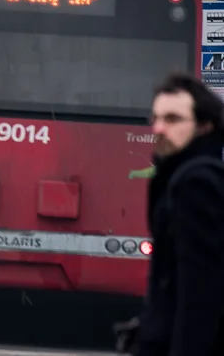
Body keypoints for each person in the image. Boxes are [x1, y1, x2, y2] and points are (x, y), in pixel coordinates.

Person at [117, 73, 224, 356]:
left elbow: (200, 292)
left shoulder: (196, 183)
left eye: (173, 119)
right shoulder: (179, 175)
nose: (160, 128)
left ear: (204, 126)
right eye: (156, 118)